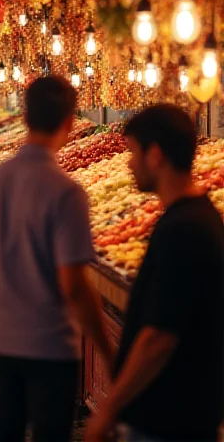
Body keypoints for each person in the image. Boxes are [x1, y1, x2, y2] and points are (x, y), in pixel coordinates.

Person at [0, 76, 113, 442]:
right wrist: (107, 351)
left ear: (26, 116)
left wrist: (7, 301)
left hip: (2, 337)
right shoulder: (66, 192)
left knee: (8, 431)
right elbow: (73, 285)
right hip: (51, 343)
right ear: (69, 122)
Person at [87, 105, 224, 442]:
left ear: (156, 155)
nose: (129, 163)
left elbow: (159, 337)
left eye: (133, 152)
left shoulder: (184, 230)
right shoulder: (195, 218)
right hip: (181, 413)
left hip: (168, 419)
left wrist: (110, 406)